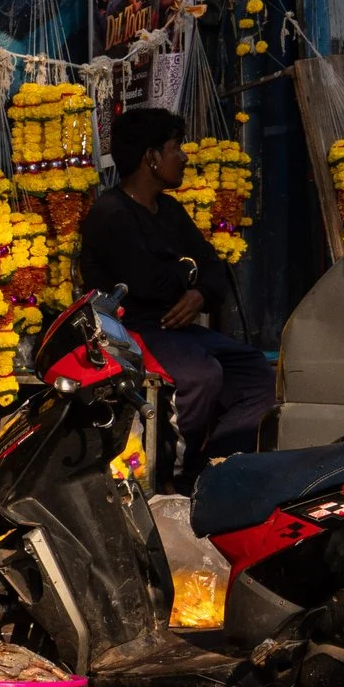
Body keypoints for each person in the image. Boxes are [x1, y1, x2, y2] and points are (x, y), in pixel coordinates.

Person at [76, 105, 276, 487]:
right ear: (151, 157)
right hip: (130, 331)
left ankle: (213, 472)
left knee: (254, 372)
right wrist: (190, 273)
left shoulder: (168, 209)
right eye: (176, 147)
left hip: (175, 330)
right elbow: (147, 285)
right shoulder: (111, 212)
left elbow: (215, 271)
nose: (184, 157)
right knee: (201, 376)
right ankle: (174, 483)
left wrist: (198, 291)